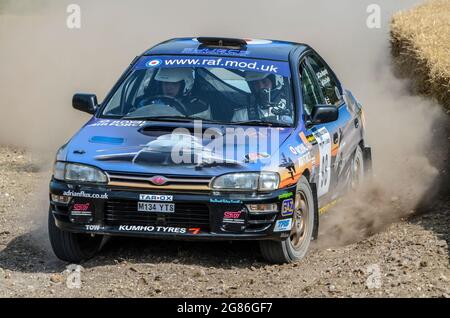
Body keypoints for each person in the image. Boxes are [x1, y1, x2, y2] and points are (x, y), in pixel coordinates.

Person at [138, 67, 210, 118]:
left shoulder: (197, 107)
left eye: (174, 84)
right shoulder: (147, 103)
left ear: (186, 85)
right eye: (166, 83)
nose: (169, 88)